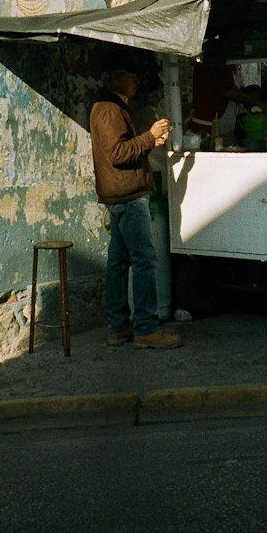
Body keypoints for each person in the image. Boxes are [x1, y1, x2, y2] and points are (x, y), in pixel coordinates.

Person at [89, 62, 182, 349]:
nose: (137, 80)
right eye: (132, 74)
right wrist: (149, 136)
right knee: (144, 260)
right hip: (127, 195)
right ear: (115, 78)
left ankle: (118, 327)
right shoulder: (108, 109)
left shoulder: (113, 107)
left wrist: (149, 142)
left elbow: (124, 148)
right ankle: (145, 328)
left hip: (122, 193)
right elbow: (117, 153)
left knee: (119, 262)